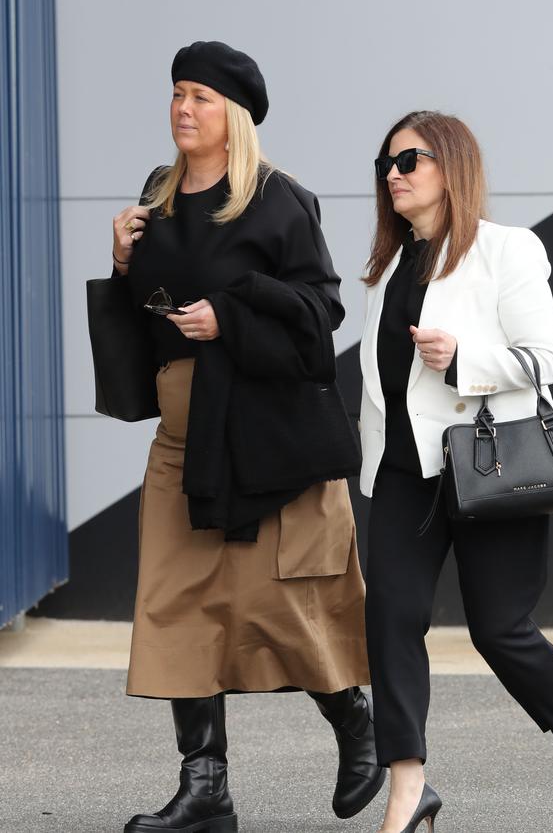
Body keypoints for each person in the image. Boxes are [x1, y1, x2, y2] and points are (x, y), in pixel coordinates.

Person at [109, 40, 385, 833]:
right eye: (176, 94)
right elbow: (148, 318)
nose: (182, 108)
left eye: (198, 96)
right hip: (181, 430)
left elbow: (321, 309)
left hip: (260, 428)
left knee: (278, 601)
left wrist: (228, 315)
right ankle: (207, 790)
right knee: (172, 603)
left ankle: (356, 726)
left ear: (232, 114)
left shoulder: (275, 198)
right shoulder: (156, 196)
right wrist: (124, 262)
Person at [358, 110, 553, 833]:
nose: (393, 174)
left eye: (409, 160)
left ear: (451, 164)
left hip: (488, 465)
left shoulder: (508, 250)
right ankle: (409, 790)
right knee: (390, 618)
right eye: (385, 164)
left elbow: (545, 359)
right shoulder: (385, 271)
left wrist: (463, 360)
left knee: (501, 629)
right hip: (406, 472)